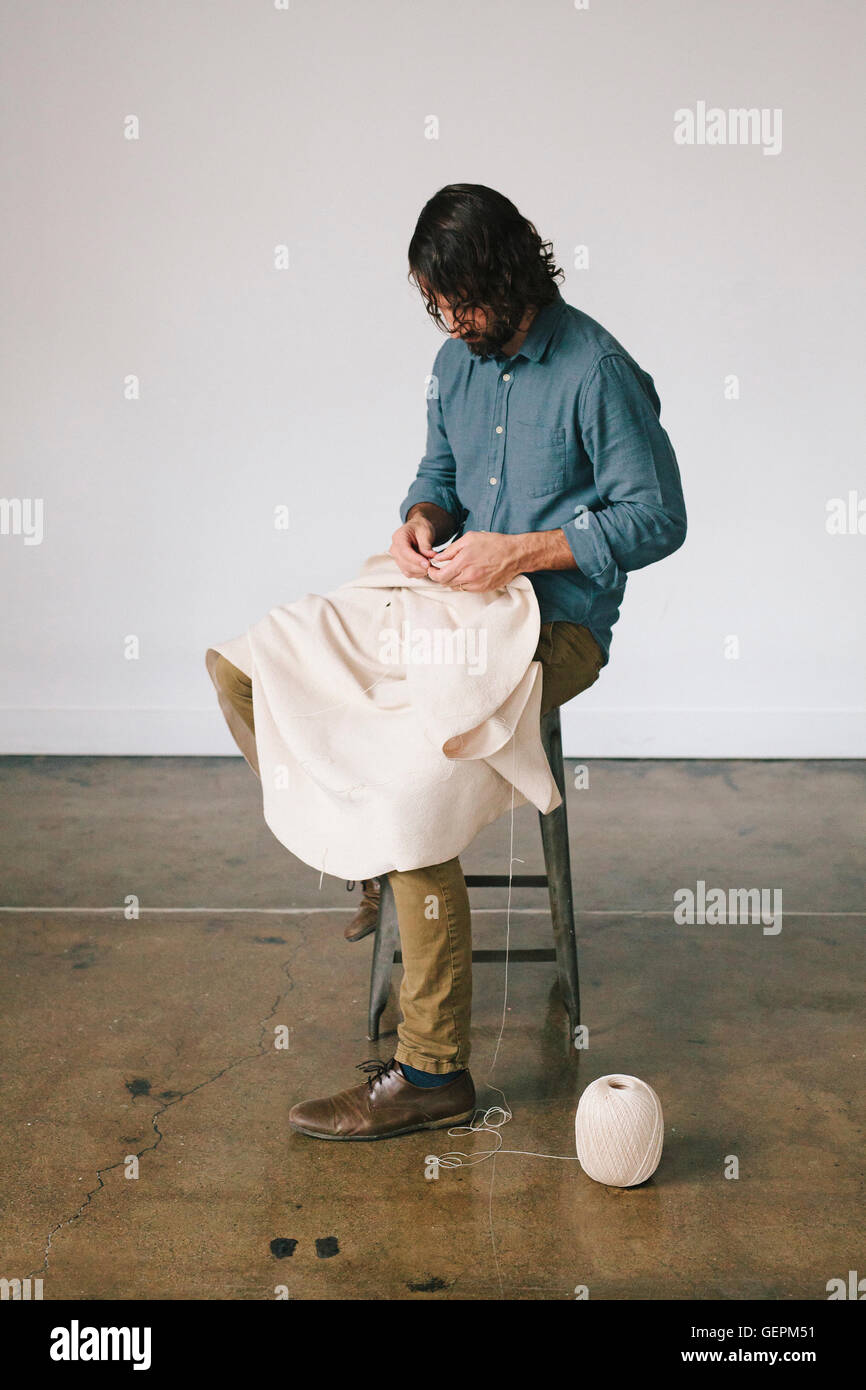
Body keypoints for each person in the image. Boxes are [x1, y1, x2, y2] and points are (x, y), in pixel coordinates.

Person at [212, 183, 687, 1140]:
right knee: (254, 667)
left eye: (463, 303)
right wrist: (421, 521)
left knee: (410, 777)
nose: (451, 321)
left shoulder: (597, 369)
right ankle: (370, 861)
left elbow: (658, 519)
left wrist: (520, 548)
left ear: (512, 278)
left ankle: (433, 1075)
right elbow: (438, 478)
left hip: (553, 625)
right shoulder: (452, 361)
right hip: (450, 599)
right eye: (437, 305)